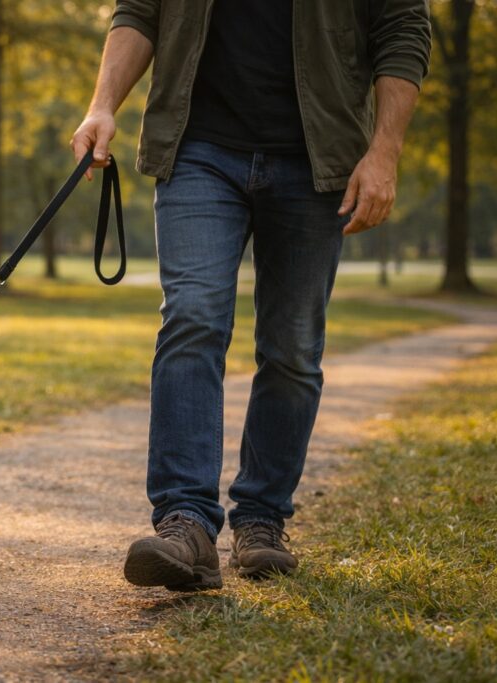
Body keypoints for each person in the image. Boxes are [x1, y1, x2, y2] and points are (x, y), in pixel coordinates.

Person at [72, 1, 431, 590]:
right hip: (197, 147)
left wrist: (384, 148)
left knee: (292, 347)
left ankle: (262, 520)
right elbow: (139, 10)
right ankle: (184, 522)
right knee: (192, 316)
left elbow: (402, 27)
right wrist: (102, 104)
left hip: (320, 157)